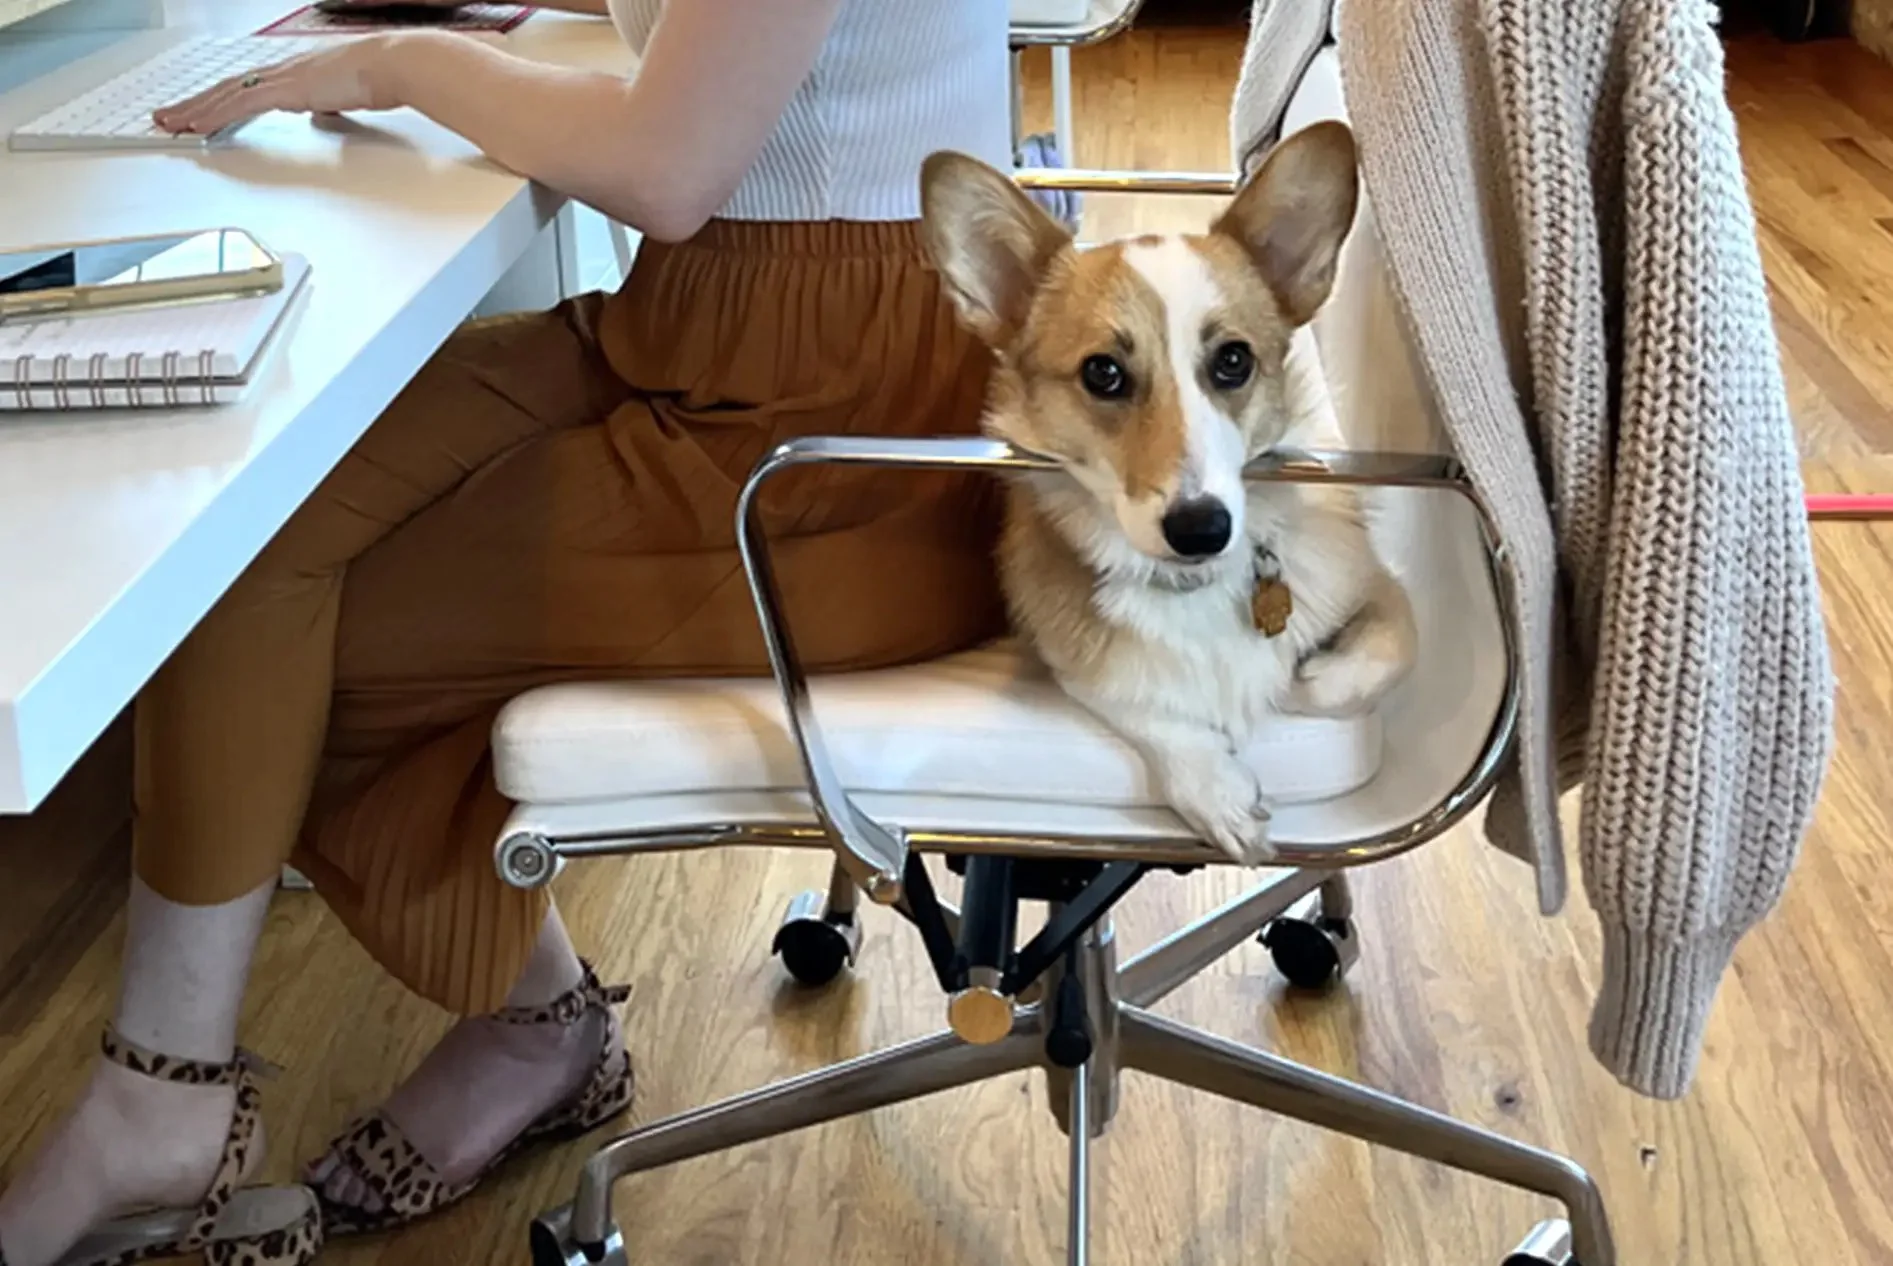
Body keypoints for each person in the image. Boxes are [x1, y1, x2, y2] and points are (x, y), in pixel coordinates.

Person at [0, 0, 1013, 1261]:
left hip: (835, 450)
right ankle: (505, 1025)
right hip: (706, 329)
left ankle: (178, 1097)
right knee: (249, 526)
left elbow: (667, 166)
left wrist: (404, 60)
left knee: (288, 644)